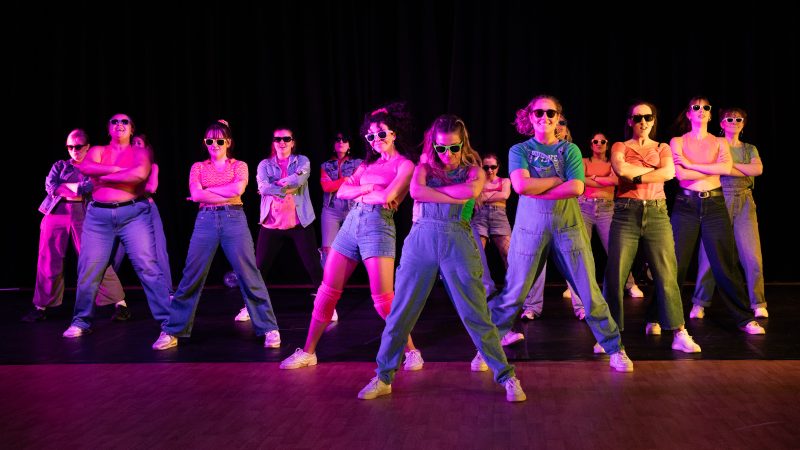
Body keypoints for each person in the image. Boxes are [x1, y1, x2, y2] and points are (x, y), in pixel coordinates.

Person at [357, 114, 526, 402]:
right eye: (441, 148)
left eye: (453, 148)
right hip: (421, 241)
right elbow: (415, 191)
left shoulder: (474, 171)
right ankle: (383, 376)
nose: (447, 154)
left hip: (458, 240)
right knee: (400, 314)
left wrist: (433, 193)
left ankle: (507, 376)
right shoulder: (423, 167)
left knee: (476, 314)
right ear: (432, 146)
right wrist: (452, 196)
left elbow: (469, 191)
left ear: (464, 144)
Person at [488, 95, 634, 372]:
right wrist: (557, 180)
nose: (545, 118)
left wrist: (538, 186)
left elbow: (577, 188)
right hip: (529, 229)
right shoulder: (519, 149)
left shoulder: (571, 151)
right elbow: (520, 186)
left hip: (568, 228)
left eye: (551, 113)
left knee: (589, 292)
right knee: (514, 293)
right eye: (539, 113)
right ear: (530, 117)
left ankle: (615, 347)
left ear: (558, 117)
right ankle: (487, 349)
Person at [280, 103, 422, 371]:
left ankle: (412, 351)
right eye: (370, 136)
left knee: (383, 300)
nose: (376, 140)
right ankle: (308, 351)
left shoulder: (405, 165)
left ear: (393, 134)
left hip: (379, 226)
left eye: (381, 134)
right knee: (326, 292)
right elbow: (343, 192)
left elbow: (387, 197)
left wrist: (367, 191)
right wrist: (369, 187)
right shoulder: (367, 164)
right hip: (352, 224)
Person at [153, 120, 280, 350]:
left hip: (234, 218)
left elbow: (237, 190)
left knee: (249, 273)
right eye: (209, 140)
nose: (214, 144)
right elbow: (196, 194)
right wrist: (206, 195)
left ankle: (269, 327)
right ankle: (173, 329)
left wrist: (206, 192)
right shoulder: (198, 167)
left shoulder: (239, 165)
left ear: (228, 142)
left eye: (219, 140)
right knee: (191, 275)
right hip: (206, 220)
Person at [62, 114, 171, 340]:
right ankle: (81, 320)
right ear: (108, 128)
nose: (119, 125)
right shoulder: (98, 150)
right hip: (98, 216)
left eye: (124, 122)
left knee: (148, 268)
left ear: (131, 129)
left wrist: (103, 174)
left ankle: (169, 325)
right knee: (88, 269)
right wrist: (118, 171)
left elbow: (139, 175)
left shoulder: (140, 152)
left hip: (133, 214)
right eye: (114, 121)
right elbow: (86, 168)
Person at [604, 102, 701, 353]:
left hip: (657, 212)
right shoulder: (620, 146)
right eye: (638, 118)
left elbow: (669, 173)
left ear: (653, 120)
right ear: (630, 121)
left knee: (667, 272)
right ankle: (609, 335)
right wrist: (649, 171)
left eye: (648, 117)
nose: (643, 122)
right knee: (616, 274)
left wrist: (635, 175)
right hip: (626, 212)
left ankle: (679, 332)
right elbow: (620, 169)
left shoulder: (663, 147)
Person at [670, 97, 764, 334]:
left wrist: (694, 164)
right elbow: (681, 174)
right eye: (696, 107)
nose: (701, 111)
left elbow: (728, 169)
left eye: (706, 108)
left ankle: (750, 311)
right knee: (685, 263)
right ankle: (674, 312)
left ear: (711, 115)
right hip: (695, 201)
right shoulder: (679, 141)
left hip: (726, 200)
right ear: (689, 114)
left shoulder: (726, 144)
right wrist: (705, 168)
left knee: (736, 260)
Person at [23, 129, 126, 323]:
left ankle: (120, 304)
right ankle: (40, 306)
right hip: (56, 214)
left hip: (84, 214)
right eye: (69, 146)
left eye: (77, 146)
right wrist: (74, 188)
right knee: (48, 258)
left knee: (95, 259)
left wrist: (68, 188)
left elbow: (89, 187)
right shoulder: (60, 165)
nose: (73, 150)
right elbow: (51, 187)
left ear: (87, 147)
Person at [234, 127, 323, 322]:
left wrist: (277, 185)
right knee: (259, 268)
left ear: (292, 142)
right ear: (273, 143)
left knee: (314, 267)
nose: (282, 142)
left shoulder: (303, 161)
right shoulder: (264, 164)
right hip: (271, 224)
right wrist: (286, 187)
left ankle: (327, 307)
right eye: (277, 139)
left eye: (286, 139)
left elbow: (300, 178)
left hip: (300, 222)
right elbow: (262, 187)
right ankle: (250, 307)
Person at [690, 107, 767, 318]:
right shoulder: (714, 145)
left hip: (744, 200)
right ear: (722, 123)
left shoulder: (750, 148)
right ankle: (700, 302)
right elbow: (717, 170)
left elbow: (758, 170)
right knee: (708, 255)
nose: (734, 121)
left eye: (738, 119)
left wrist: (729, 166)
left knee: (752, 256)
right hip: (719, 198)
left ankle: (758, 302)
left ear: (743, 124)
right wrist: (740, 168)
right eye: (729, 119)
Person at [110, 133, 174, 313]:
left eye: (139, 143)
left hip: (147, 210)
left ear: (146, 148)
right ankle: (111, 296)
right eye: (133, 143)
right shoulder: (121, 165)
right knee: (114, 255)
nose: (135, 145)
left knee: (159, 251)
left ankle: (168, 292)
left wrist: (126, 184)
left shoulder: (152, 166)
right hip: (124, 211)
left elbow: (151, 188)